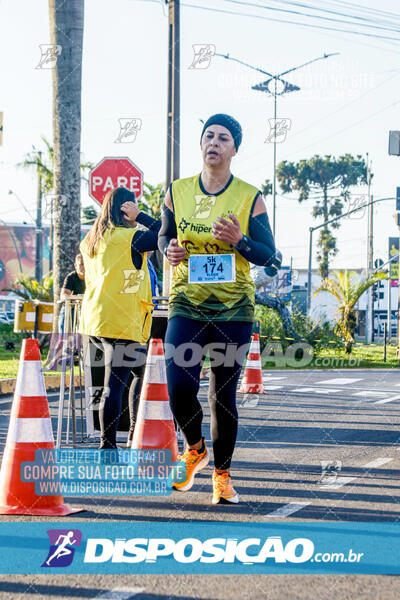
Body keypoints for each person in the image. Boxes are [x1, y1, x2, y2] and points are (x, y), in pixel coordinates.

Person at [159, 113, 277, 504]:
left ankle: (222, 476)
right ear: (201, 144)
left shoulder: (249, 196)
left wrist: (241, 241)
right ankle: (194, 447)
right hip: (187, 302)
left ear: (234, 150)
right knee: (178, 384)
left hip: (234, 308)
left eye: (223, 138)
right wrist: (168, 249)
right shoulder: (176, 191)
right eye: (208, 135)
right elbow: (163, 235)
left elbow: (267, 254)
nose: (214, 142)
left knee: (222, 394)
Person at [79, 187, 161, 449]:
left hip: (95, 319)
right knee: (115, 383)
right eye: (132, 207)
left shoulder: (91, 239)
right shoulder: (131, 237)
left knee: (138, 371)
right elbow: (166, 232)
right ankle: (109, 444)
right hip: (122, 320)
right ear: (126, 210)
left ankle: (130, 434)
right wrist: (142, 217)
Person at [58, 253, 86, 334]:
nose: (84, 267)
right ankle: (64, 343)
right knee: (64, 333)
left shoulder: (92, 277)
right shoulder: (71, 277)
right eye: (81, 264)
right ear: (75, 266)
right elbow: (63, 296)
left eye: (86, 264)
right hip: (71, 309)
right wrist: (76, 299)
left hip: (85, 309)